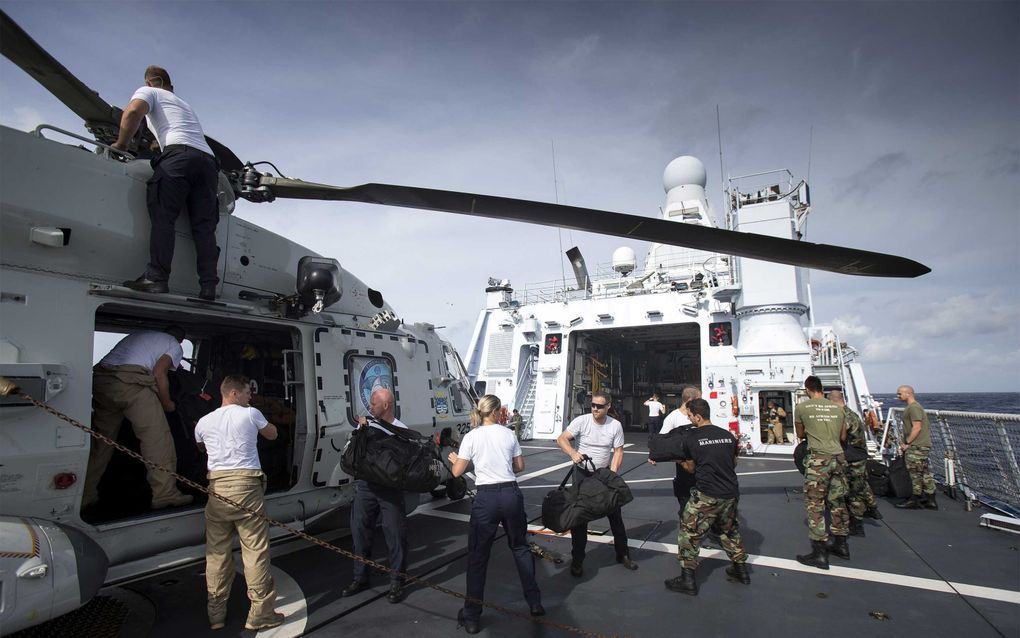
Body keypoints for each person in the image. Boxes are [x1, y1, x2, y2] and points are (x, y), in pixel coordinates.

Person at [112, 65, 220, 301]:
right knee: (204, 227)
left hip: (178, 157)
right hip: (208, 163)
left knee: (164, 215)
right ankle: (209, 286)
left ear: (153, 82)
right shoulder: (183, 105)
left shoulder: (150, 92)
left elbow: (132, 113)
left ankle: (157, 278)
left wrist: (120, 145)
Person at [195, 375, 284, 631]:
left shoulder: (203, 422)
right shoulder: (250, 414)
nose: (250, 397)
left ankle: (216, 614)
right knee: (255, 551)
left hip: (217, 488)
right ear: (234, 393)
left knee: (216, 554)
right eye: (247, 393)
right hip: (246, 487)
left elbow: (201, 447)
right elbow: (272, 434)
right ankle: (260, 613)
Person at [447, 395, 543, 634]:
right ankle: (534, 603)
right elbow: (520, 467)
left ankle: (471, 617)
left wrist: (454, 460)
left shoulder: (471, 436)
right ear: (497, 412)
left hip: (486, 498)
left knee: (478, 557)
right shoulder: (508, 434)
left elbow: (457, 472)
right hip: (510, 494)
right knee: (520, 548)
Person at [84, 326, 193, 510]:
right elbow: (159, 373)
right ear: (180, 340)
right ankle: (165, 495)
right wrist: (167, 404)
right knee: (157, 439)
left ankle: (85, 495)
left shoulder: (141, 335)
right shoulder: (173, 344)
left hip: (103, 380)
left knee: (101, 442)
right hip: (131, 383)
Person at [664, 399, 749, 595]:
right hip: (730, 493)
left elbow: (691, 468)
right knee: (730, 531)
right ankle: (741, 571)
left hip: (707, 494)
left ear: (698, 416)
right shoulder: (728, 436)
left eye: (691, 416)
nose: (690, 419)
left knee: (689, 532)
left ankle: (687, 580)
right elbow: (733, 463)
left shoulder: (692, 438)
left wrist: (677, 459)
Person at [556, 391, 638, 577]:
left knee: (614, 515)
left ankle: (623, 554)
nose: (595, 409)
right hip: (582, 474)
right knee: (579, 518)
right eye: (592, 405)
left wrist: (613, 474)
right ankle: (577, 560)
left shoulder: (615, 425)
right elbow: (562, 439)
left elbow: (618, 451)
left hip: (603, 474)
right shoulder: (582, 421)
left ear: (608, 406)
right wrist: (573, 453)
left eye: (599, 406)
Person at [341, 387, 409, 603]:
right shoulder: (366, 426)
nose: (370, 407)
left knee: (395, 534)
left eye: (374, 403)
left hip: (390, 489)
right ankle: (360, 577)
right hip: (366, 487)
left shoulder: (400, 430)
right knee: (359, 531)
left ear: (386, 405)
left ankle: (397, 581)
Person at [795, 376, 849, 570]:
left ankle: (819, 553)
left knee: (815, 504)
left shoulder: (802, 408)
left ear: (808, 389)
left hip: (818, 459)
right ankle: (841, 545)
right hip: (839, 457)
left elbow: (800, 434)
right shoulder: (838, 408)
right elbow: (843, 436)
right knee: (837, 501)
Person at [827, 391, 882, 533]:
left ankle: (856, 524)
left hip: (851, 457)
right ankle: (869, 510)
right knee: (858, 487)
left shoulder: (844, 416)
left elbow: (841, 437)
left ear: (832, 401)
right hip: (858, 455)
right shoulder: (852, 414)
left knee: (851, 491)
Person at [656, 386, 702, 515]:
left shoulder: (698, 415)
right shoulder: (673, 417)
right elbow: (662, 440)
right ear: (691, 400)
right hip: (685, 467)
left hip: (701, 465)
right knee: (685, 503)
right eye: (699, 399)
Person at [894, 385, 938, 510]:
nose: (898, 396)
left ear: (908, 393)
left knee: (914, 472)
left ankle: (915, 498)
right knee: (923, 472)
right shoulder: (913, 407)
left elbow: (917, 427)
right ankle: (930, 498)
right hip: (920, 445)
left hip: (917, 446)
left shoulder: (913, 408)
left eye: (900, 393)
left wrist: (907, 443)